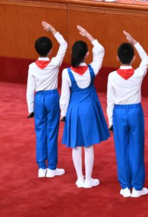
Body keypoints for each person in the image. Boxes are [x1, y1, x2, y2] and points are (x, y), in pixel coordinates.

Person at [60, 25, 110, 189]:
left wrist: (63, 113)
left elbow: (65, 96)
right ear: (87, 54)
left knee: (76, 145)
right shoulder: (91, 69)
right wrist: (88, 34)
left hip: (74, 110)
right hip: (89, 108)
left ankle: (80, 178)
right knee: (88, 145)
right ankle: (88, 179)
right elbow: (101, 49)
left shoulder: (66, 73)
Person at [107, 31, 148, 198]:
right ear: (133, 59)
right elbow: (146, 59)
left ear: (118, 58)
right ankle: (137, 187)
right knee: (137, 147)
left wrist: (110, 120)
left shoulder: (112, 76)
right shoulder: (138, 73)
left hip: (118, 112)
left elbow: (110, 99)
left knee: (121, 148)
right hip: (135, 111)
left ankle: (125, 186)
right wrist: (135, 42)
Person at [26, 21, 67, 179]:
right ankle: (52, 168)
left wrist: (31, 108)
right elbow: (63, 44)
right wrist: (53, 30)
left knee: (40, 132)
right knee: (52, 132)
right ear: (50, 51)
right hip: (52, 97)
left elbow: (30, 89)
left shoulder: (32, 67)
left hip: (39, 98)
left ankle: (41, 167)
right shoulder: (55, 63)